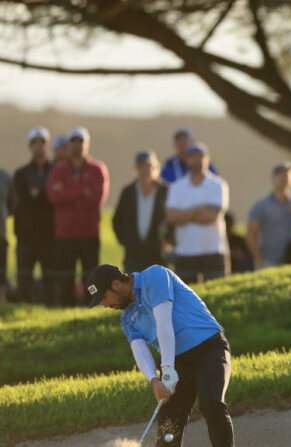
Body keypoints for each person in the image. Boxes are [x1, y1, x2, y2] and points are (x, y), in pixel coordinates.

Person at [86, 264, 234, 447]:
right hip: (177, 361)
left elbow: (164, 322)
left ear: (116, 284)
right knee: (168, 424)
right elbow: (139, 350)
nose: (105, 304)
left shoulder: (154, 275)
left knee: (211, 402)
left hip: (209, 349)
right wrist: (154, 380)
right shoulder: (127, 318)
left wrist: (167, 368)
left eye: (104, 297)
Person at [47, 126, 109, 306]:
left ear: (87, 144)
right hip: (65, 235)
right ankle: (67, 307)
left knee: (90, 278)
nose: (76, 145)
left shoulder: (97, 169)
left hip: (89, 234)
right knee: (66, 276)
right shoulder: (59, 170)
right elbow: (54, 196)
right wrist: (82, 192)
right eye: (73, 141)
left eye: (80, 141)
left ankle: (90, 304)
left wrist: (67, 193)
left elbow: (96, 198)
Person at [165, 144, 230, 283]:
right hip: (185, 252)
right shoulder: (177, 187)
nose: (197, 161)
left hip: (213, 251)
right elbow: (171, 217)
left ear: (207, 160)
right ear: (187, 160)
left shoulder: (218, 185)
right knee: (186, 301)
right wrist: (198, 210)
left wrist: (183, 216)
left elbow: (212, 216)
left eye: (200, 157)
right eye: (193, 158)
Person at [13, 127, 56, 304]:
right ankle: (23, 312)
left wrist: (38, 195)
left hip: (50, 236)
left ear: (47, 145)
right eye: (35, 142)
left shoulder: (57, 171)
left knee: (50, 281)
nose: (39, 146)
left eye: (42, 142)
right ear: (30, 146)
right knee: (25, 281)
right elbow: (21, 202)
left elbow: (52, 199)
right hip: (26, 237)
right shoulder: (21, 174)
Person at [113, 150, 169, 273]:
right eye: (141, 167)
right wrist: (127, 241)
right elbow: (117, 220)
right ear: (136, 169)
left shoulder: (166, 191)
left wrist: (168, 241)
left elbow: (173, 221)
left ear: (156, 168)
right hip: (133, 258)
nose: (145, 171)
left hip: (158, 257)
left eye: (148, 166)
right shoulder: (128, 192)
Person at [245, 162, 291, 268]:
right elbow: (250, 235)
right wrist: (259, 260)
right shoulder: (261, 205)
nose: (284, 178)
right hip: (267, 262)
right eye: (280, 174)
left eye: (287, 174)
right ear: (273, 178)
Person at [0, 165, 13, 303]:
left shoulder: (5, 177)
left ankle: (2, 303)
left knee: (1, 276)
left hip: (0, 233)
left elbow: (12, 204)